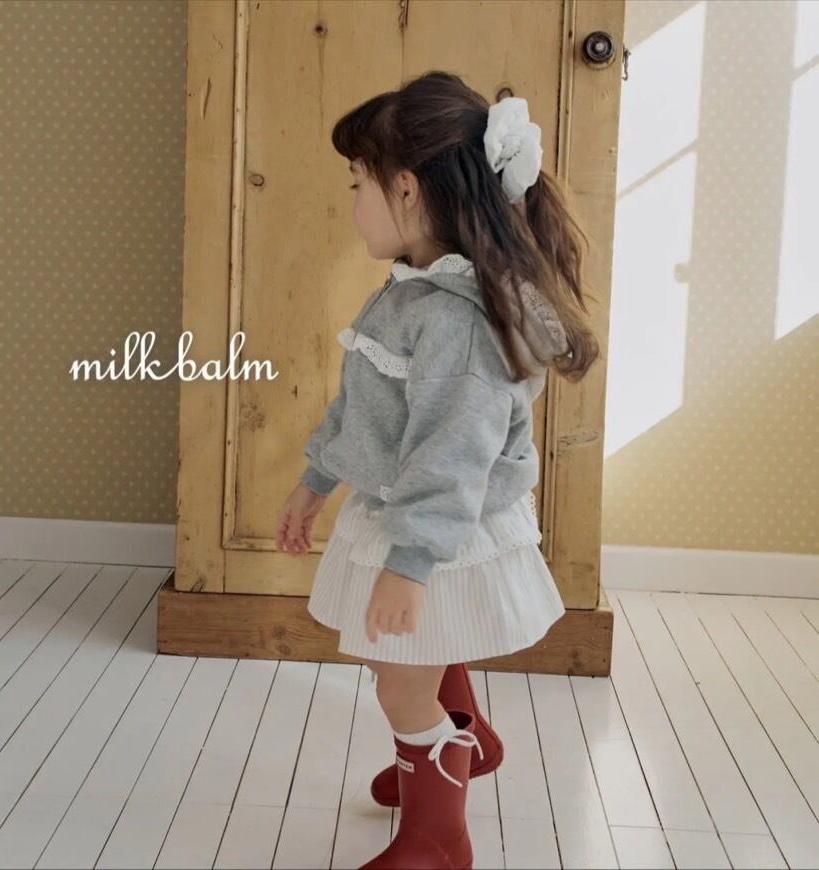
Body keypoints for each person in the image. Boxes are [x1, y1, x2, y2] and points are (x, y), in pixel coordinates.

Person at [275, 70, 600, 870]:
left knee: (397, 683)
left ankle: (437, 830)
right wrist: (315, 479)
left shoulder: (455, 323)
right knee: (411, 654)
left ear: (407, 189)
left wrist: (410, 563)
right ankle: (465, 737)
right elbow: (367, 404)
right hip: (412, 506)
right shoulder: (414, 290)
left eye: (358, 185)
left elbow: (452, 459)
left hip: (440, 526)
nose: (352, 203)